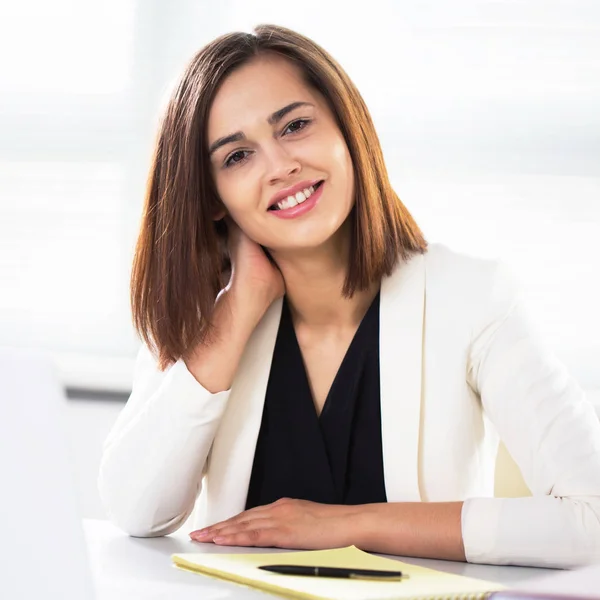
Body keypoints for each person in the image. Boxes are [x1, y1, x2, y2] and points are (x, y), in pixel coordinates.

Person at [98, 24, 600, 568]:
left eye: (294, 125)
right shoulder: (207, 316)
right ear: (213, 197)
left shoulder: (473, 297)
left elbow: (590, 517)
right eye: (237, 157)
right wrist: (239, 308)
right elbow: (137, 512)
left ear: (347, 130)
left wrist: (344, 525)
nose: (280, 166)